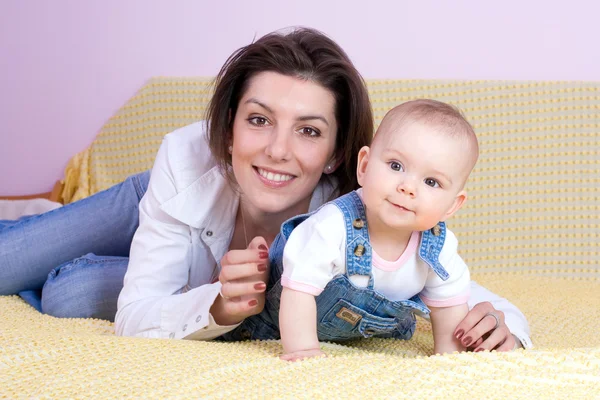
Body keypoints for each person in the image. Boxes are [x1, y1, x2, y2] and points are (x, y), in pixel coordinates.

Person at [0, 28, 530, 352]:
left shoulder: (360, 212)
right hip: (157, 200)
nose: (278, 150)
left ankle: (58, 237)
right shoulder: (184, 161)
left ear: (342, 153)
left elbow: (446, 281)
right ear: (229, 127)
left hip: (185, 266)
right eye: (258, 120)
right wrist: (215, 301)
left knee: (68, 292)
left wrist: (506, 328)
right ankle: (55, 213)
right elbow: (139, 313)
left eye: (309, 130)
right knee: (9, 258)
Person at [269, 99, 478, 361]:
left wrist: (450, 360)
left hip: (362, 333)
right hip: (279, 320)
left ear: (452, 206)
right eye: (396, 166)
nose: (407, 187)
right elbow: (298, 290)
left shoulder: (439, 247)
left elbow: (449, 307)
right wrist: (303, 351)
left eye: (431, 182)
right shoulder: (332, 226)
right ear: (365, 167)